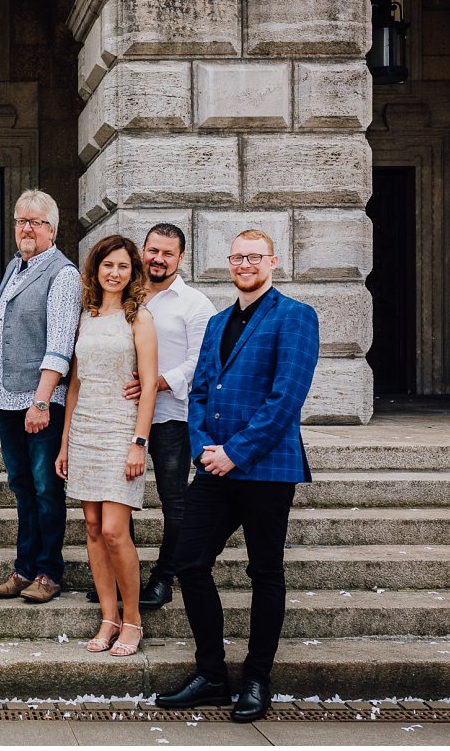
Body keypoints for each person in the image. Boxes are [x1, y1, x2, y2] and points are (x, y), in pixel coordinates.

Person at [155, 229, 319, 723]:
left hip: (267, 469)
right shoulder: (220, 320)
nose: (244, 264)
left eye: (254, 257)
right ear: (229, 263)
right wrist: (207, 447)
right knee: (189, 562)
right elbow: (200, 391)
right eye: (237, 257)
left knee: (265, 573)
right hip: (214, 466)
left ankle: (256, 677)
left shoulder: (294, 316)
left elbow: (286, 398)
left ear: (272, 261)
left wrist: (237, 453)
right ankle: (210, 675)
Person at [57, 235, 158, 656]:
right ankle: (107, 617)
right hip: (85, 429)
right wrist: (65, 443)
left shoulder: (140, 318)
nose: (114, 273)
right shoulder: (87, 315)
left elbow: (149, 385)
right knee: (94, 530)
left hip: (121, 430)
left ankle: (132, 620)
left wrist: (139, 443)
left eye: (122, 266)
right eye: (107, 265)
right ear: (95, 269)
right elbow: (74, 384)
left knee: (116, 531)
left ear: (132, 272)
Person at [0, 190, 81, 604]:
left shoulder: (63, 274)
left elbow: (59, 345)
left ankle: (48, 572)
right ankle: (23, 569)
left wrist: (41, 401)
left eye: (35, 222)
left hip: (40, 401)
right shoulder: (14, 266)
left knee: (45, 488)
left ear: (52, 230)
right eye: (21, 220)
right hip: (8, 398)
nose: (26, 228)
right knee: (21, 485)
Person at [114, 224, 216, 611]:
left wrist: (158, 382)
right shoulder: (125, 294)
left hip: (172, 417)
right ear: (143, 250)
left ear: (181, 258)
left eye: (167, 253)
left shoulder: (194, 303)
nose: (158, 259)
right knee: (119, 498)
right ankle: (127, 579)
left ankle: (164, 577)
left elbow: (201, 360)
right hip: (122, 415)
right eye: (152, 250)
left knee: (175, 501)